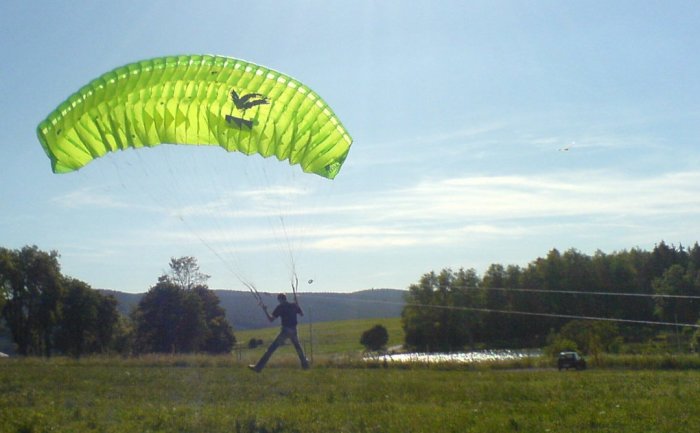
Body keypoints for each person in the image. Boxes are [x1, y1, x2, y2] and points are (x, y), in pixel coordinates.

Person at [249, 293, 310, 372]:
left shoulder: (280, 307)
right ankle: (305, 365)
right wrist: (297, 304)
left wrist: (265, 310)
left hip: (285, 331)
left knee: (271, 349)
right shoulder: (293, 305)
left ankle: (259, 367)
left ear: (280, 300)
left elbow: (271, 319)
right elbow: (302, 314)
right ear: (285, 298)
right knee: (298, 348)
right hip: (294, 330)